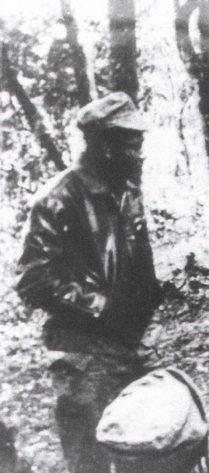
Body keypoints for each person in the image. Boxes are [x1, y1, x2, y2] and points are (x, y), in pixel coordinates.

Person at [15, 92, 162, 473]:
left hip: (129, 344)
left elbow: (136, 264)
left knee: (145, 450)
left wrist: (145, 305)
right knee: (91, 460)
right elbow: (34, 281)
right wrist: (103, 306)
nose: (140, 155)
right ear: (107, 147)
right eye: (133, 146)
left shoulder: (126, 191)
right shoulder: (57, 199)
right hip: (83, 355)